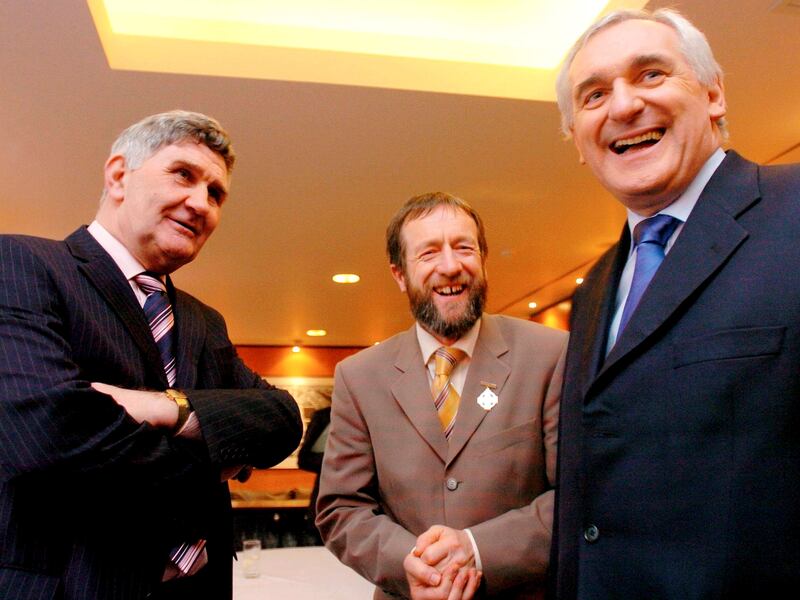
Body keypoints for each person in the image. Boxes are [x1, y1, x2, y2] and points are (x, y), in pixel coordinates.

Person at [0, 110, 303, 600]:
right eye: (183, 174)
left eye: (216, 193)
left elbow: (283, 419)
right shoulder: (22, 265)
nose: (201, 203)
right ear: (119, 175)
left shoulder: (204, 321)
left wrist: (167, 408)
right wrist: (217, 449)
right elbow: (46, 433)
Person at [551, 8, 800, 599]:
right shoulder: (594, 289)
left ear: (714, 95)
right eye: (594, 95)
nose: (623, 106)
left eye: (651, 74)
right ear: (578, 141)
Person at [316, 192, 567, 599]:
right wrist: (410, 563)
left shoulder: (550, 356)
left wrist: (477, 550)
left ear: (483, 260)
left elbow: (577, 496)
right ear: (400, 274)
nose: (450, 267)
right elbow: (341, 509)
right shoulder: (359, 377)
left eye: (464, 248)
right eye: (429, 253)